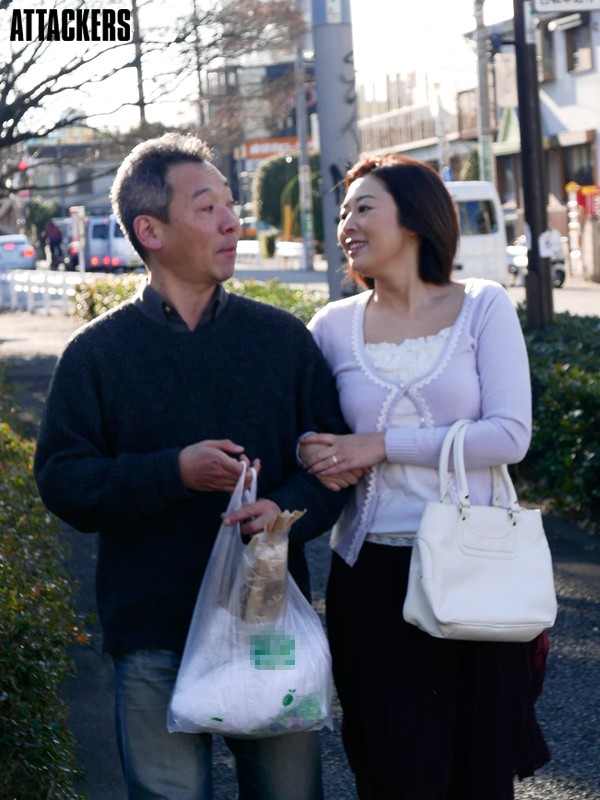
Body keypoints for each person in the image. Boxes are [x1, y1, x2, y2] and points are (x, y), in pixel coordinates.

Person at [34, 132, 355, 800]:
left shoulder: (281, 340)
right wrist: (172, 473)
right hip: (152, 632)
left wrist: (283, 509)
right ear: (150, 230)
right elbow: (62, 480)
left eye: (231, 205)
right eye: (207, 207)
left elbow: (334, 464)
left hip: (268, 624)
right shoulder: (98, 354)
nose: (233, 221)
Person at [299, 154, 551, 800]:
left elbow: (509, 434)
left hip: (478, 566)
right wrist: (317, 451)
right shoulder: (330, 328)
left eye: (363, 207)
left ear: (413, 218)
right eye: (344, 211)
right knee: (391, 773)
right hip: (372, 576)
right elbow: (305, 430)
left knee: (479, 774)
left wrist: (379, 445)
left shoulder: (482, 307)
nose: (346, 223)